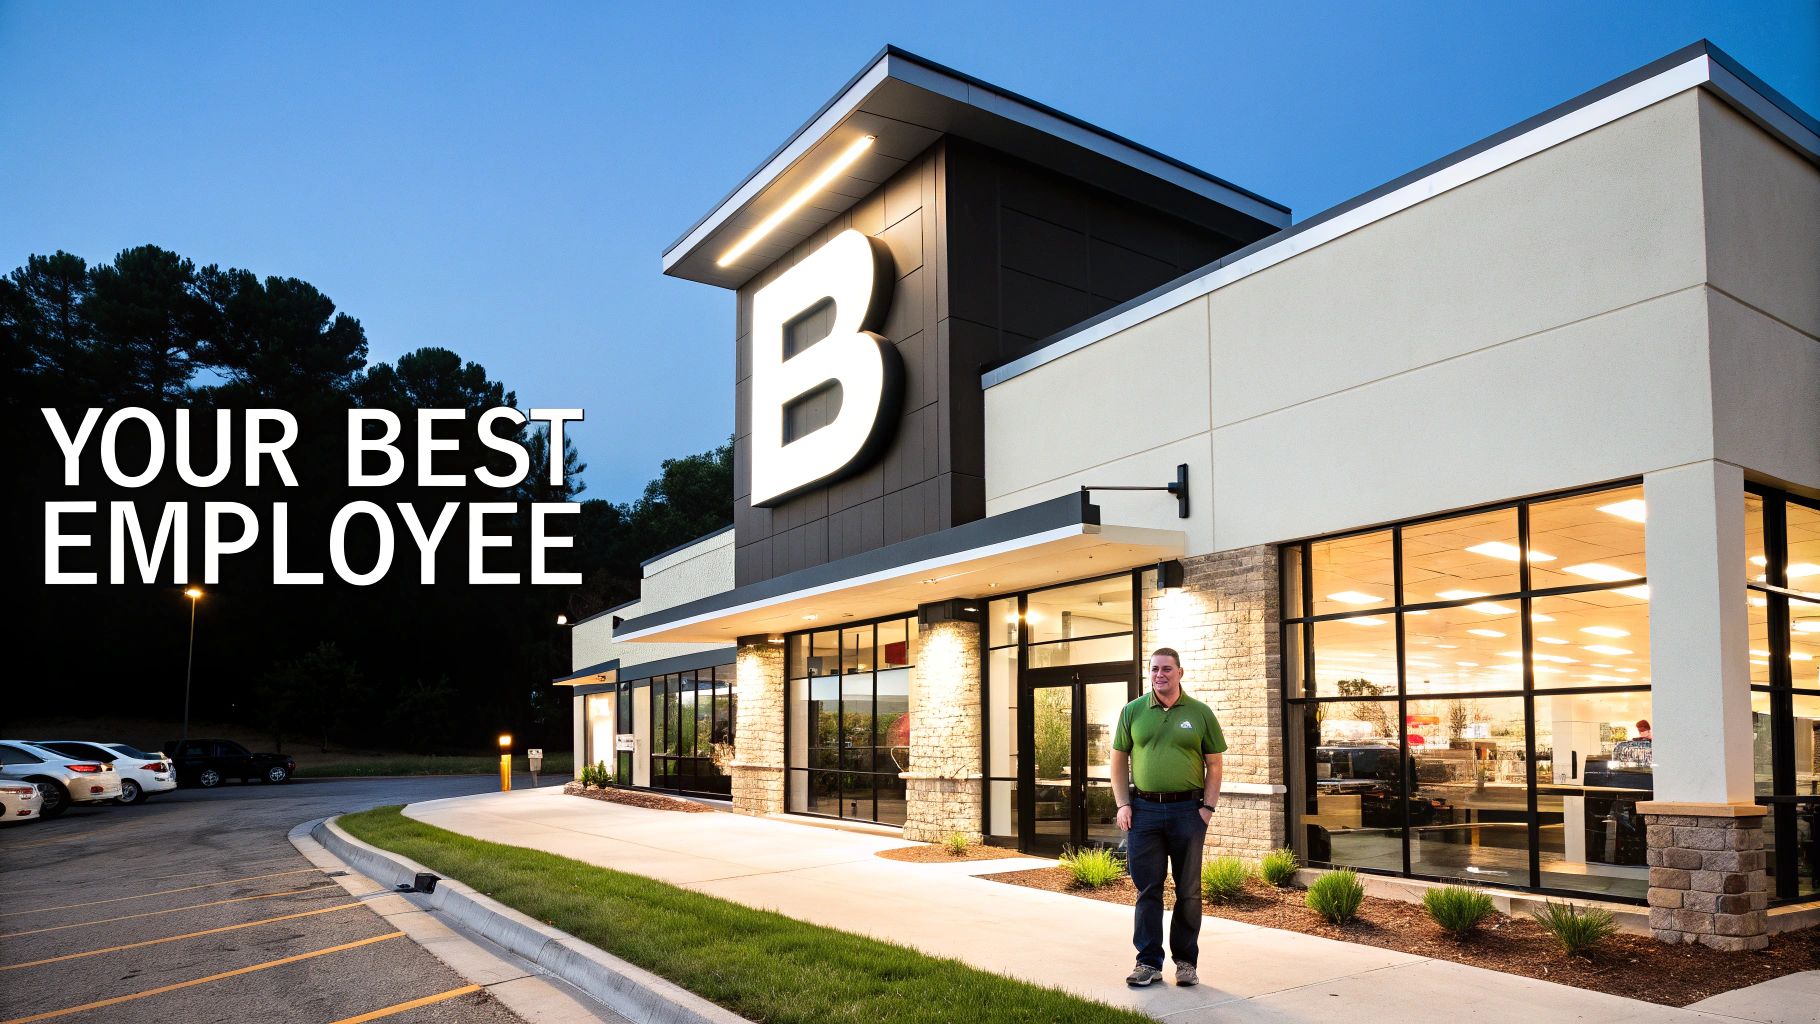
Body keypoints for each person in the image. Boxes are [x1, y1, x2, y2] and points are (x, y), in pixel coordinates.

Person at [1111, 647, 1226, 988]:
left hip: (1187, 812)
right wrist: (1122, 804)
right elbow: (1118, 760)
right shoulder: (1133, 711)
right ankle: (1148, 962)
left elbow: (1215, 763)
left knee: (1188, 890)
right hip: (1143, 811)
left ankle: (1186, 962)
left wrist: (1207, 808)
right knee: (1148, 889)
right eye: (1154, 669)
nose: (1159, 674)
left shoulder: (1200, 713)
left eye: (1166, 669)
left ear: (1180, 672)